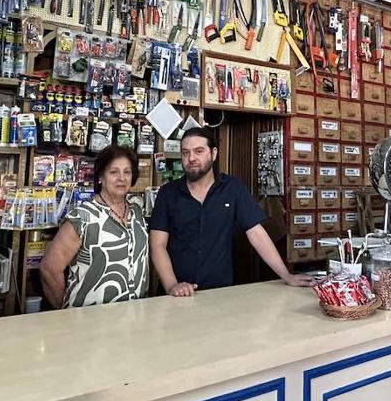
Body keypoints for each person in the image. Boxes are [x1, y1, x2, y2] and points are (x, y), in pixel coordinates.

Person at [149, 126, 312, 296]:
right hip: (175, 294)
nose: (191, 158)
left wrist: (286, 275)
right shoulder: (168, 193)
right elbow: (157, 245)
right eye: (185, 153)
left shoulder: (232, 188)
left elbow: (257, 234)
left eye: (198, 151)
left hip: (220, 292)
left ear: (213, 154)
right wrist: (172, 286)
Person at [40, 145, 149, 308]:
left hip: (135, 316)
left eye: (127, 172)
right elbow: (49, 268)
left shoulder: (137, 212)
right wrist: (63, 314)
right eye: (114, 172)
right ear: (100, 177)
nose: (122, 178)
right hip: (89, 322)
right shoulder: (83, 216)